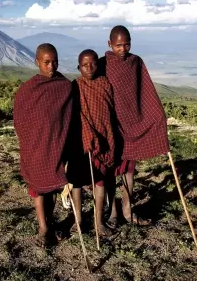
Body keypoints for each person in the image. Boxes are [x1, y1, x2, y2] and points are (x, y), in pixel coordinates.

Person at [99, 25, 170, 228]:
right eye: (118, 45)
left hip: (132, 127)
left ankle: (128, 210)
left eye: (127, 44)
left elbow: (146, 91)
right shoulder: (103, 64)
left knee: (129, 171)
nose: (123, 49)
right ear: (109, 44)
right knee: (111, 172)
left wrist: (157, 115)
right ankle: (113, 212)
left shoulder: (136, 62)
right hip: (111, 128)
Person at [13, 43, 73, 247]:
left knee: (54, 186)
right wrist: (29, 140)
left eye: (54, 61)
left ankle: (52, 222)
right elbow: (19, 119)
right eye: (46, 62)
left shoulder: (64, 85)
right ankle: (43, 229)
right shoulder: (28, 88)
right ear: (37, 62)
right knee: (39, 188)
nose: (51, 66)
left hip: (57, 145)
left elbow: (69, 115)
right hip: (35, 147)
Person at [67, 49, 116, 237]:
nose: (89, 68)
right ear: (78, 67)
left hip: (104, 142)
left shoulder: (105, 84)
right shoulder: (75, 86)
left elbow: (109, 114)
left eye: (93, 63)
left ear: (98, 64)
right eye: (84, 65)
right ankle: (78, 220)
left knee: (100, 182)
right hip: (80, 143)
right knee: (77, 183)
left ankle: (99, 222)